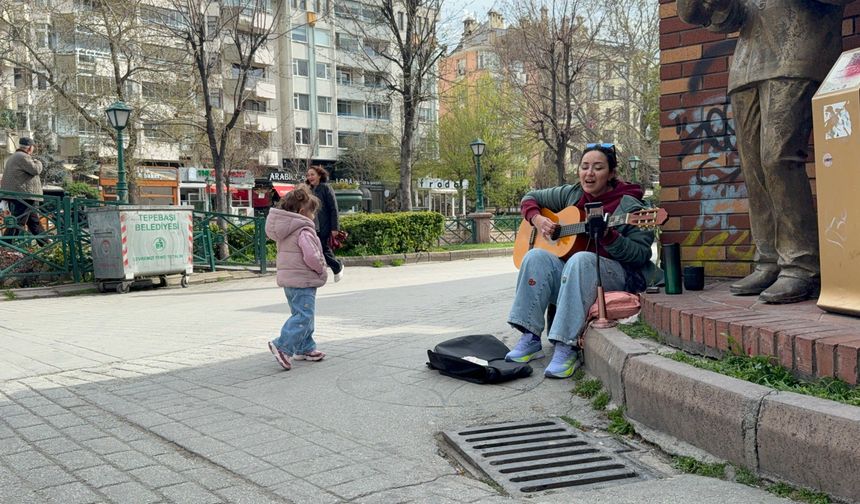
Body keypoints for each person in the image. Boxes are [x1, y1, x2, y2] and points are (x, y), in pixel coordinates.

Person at [676, 0, 853, 303]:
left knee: (778, 159)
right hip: (747, 66)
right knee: (753, 166)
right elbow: (733, 19)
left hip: (797, 53)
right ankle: (769, 259)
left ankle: (801, 266)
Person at [506, 144, 659, 378]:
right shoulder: (573, 193)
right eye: (584, 166)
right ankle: (530, 337)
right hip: (575, 277)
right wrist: (537, 219)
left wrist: (608, 236)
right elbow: (530, 198)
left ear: (611, 173)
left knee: (581, 259)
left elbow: (640, 255)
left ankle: (566, 346)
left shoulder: (631, 207)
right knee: (535, 256)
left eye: (598, 167)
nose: (589, 173)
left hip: (615, 276)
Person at [265, 184, 328, 370]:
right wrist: (321, 269)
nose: (314, 216)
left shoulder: (286, 230)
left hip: (290, 281)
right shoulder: (303, 231)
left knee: (301, 314)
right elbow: (312, 256)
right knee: (303, 316)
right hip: (303, 279)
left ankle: (305, 348)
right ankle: (282, 346)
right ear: (302, 212)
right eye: (312, 212)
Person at [305, 165, 344, 282]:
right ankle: (327, 269)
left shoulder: (326, 188)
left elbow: (333, 208)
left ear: (319, 175)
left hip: (324, 225)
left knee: (323, 249)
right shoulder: (308, 189)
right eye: (308, 175)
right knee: (315, 250)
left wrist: (335, 227)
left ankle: (337, 266)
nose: (310, 177)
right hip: (311, 225)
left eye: (312, 174)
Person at [1, 137, 45, 238]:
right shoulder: (23, 157)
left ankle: (45, 242)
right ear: (30, 148)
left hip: (19, 194)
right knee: (18, 222)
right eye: (33, 147)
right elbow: (36, 170)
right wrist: (38, 162)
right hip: (24, 195)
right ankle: (6, 244)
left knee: (33, 221)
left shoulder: (15, 156)